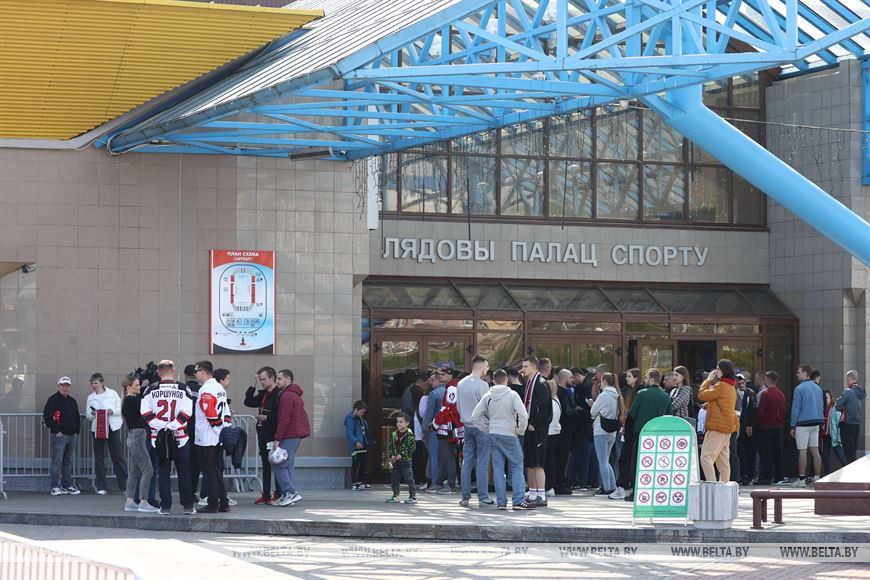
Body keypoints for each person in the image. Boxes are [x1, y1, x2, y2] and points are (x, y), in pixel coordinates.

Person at [470, 369, 535, 511]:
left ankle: (501, 502)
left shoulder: (488, 395)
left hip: (493, 433)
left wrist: (486, 428)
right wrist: (520, 430)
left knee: (498, 468)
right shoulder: (513, 395)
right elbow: (523, 415)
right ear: (507, 380)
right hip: (509, 433)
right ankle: (518, 500)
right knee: (517, 465)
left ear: (493, 380)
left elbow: (475, 416)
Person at [141, 360, 196, 515]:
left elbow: (145, 412)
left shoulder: (150, 389)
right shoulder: (184, 388)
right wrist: (173, 425)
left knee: (163, 471)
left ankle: (165, 507)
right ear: (173, 371)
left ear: (158, 372)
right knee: (184, 471)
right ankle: (188, 506)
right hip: (180, 436)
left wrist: (161, 425)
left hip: (158, 437)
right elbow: (187, 412)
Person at [616, 369, 670, 501]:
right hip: (658, 434)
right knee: (655, 464)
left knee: (637, 463)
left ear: (651, 379)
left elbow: (632, 414)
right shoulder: (666, 396)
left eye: (646, 377)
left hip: (641, 432)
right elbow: (669, 415)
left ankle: (636, 491)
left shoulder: (642, 393)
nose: (644, 380)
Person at [456, 355, 494, 507]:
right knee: (482, 462)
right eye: (487, 366)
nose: (487, 369)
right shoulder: (482, 385)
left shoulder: (461, 383)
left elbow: (458, 407)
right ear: (481, 366)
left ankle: (465, 497)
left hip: (467, 425)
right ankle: (483, 496)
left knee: (467, 462)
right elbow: (487, 408)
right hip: (481, 426)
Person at [195, 364, 232, 512]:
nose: (195, 374)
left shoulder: (206, 388)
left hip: (207, 436)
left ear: (203, 372)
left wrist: (217, 429)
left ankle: (213, 504)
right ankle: (223, 502)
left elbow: (210, 412)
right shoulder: (219, 388)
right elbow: (227, 413)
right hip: (217, 436)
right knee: (215, 470)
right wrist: (223, 430)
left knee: (209, 471)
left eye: (196, 371)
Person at [244, 366, 283, 504]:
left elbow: (282, 416)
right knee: (266, 464)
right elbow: (248, 402)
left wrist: (267, 418)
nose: (262, 382)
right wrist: (253, 384)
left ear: (272, 378)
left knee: (276, 464)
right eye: (260, 379)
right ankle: (266, 494)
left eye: (264, 379)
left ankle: (279, 493)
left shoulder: (279, 395)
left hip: (274, 435)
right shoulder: (263, 394)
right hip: (263, 434)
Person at [272, 369, 310, 507]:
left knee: (278, 464)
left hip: (289, 434)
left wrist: (277, 438)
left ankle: (290, 492)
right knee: (287, 465)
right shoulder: (294, 395)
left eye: (279, 379)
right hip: (294, 434)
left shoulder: (287, 396)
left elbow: (284, 419)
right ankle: (286, 496)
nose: (277, 381)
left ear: (288, 380)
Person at [697, 360, 739, 483]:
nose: (716, 372)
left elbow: (702, 395)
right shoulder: (731, 386)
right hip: (727, 427)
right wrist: (710, 405)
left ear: (724, 371)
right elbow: (722, 404)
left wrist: (708, 380)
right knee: (723, 460)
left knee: (706, 457)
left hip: (717, 427)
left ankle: (712, 485)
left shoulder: (720, 386)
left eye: (718, 369)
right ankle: (724, 485)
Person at [86, 373, 127, 495]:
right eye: (92, 383)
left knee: (118, 456)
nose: (94, 385)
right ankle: (101, 486)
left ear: (102, 382)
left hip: (112, 427)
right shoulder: (90, 397)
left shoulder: (112, 393)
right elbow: (88, 415)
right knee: (99, 458)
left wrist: (111, 411)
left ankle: (124, 486)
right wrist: (93, 414)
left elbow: (120, 409)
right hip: (98, 429)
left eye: (96, 383)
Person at [121, 375, 158, 512]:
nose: (139, 387)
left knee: (134, 471)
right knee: (148, 470)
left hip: (135, 436)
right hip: (138, 437)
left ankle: (130, 502)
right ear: (128, 387)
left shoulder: (128, 400)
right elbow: (147, 408)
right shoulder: (132, 400)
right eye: (137, 385)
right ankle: (143, 502)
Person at [520, 355, 552, 506]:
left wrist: (533, 422)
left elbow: (545, 408)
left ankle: (541, 495)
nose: (523, 369)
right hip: (529, 428)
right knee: (530, 464)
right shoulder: (529, 382)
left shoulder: (541, 383)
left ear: (534, 367)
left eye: (525, 366)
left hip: (538, 429)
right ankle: (532, 494)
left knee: (538, 464)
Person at [43, 376, 82, 496]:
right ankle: (55, 487)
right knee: (57, 461)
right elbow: (47, 416)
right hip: (59, 435)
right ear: (58, 386)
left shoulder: (72, 401)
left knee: (68, 462)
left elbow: (76, 416)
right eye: (63, 385)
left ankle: (67, 486)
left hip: (72, 436)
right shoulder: (53, 400)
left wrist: (76, 431)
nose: (65, 388)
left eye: (67, 386)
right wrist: (57, 431)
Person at [789, 365, 824, 486]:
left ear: (805, 373)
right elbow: (821, 406)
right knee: (815, 450)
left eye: (799, 372)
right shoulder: (818, 388)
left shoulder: (799, 388)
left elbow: (796, 409)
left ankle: (802, 479)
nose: (797, 374)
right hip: (816, 422)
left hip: (802, 423)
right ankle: (817, 477)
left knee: (802, 451)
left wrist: (792, 426)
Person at [610, 368, 641, 500]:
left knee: (627, 458)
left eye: (629, 376)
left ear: (636, 378)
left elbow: (633, 412)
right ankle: (624, 486)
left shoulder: (638, 392)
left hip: (632, 429)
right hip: (628, 428)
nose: (627, 379)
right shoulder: (631, 391)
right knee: (625, 458)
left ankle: (623, 486)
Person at [566, 366, 598, 492]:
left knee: (584, 454)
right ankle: (591, 481)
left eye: (573, 378)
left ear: (577, 375)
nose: (572, 381)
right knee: (591, 454)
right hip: (586, 425)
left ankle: (582, 481)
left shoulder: (586, 387)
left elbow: (588, 405)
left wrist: (581, 409)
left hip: (585, 425)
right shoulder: (583, 386)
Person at [589, 372, 621, 496]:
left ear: (605, 382)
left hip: (600, 430)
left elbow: (593, 411)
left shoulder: (604, 395)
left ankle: (606, 487)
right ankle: (612, 486)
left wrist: (593, 405)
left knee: (602, 461)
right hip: (612, 431)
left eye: (601, 381)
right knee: (606, 461)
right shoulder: (617, 395)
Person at [431, 366, 462, 495]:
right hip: (451, 427)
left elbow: (447, 409)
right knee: (444, 456)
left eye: (442, 374)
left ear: (450, 375)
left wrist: (435, 424)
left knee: (448, 456)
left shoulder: (452, 388)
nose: (440, 377)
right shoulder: (452, 386)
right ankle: (439, 483)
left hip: (448, 428)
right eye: (439, 374)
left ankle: (450, 485)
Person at [755, 371, 787, 485]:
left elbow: (761, 412)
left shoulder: (765, 394)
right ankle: (778, 476)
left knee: (766, 453)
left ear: (768, 379)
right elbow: (783, 412)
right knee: (777, 453)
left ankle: (766, 477)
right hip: (778, 427)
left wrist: (757, 422)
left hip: (765, 427)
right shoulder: (781, 394)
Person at [554, 369, 581, 495]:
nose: (573, 380)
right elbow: (568, 411)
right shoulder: (563, 393)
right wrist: (578, 412)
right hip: (565, 430)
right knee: (562, 458)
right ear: (565, 379)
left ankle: (558, 482)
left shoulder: (558, 392)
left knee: (560, 458)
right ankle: (560, 483)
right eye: (571, 378)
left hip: (561, 429)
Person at [386, 412, 417, 505]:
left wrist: (402, 455)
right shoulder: (394, 434)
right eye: (397, 422)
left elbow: (412, 447)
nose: (398, 424)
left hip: (405, 461)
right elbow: (391, 446)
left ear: (407, 423)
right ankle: (396, 495)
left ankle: (413, 496)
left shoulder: (410, 435)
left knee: (409, 478)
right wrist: (392, 455)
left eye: (401, 422)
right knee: (394, 478)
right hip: (396, 461)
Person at [836, 370, 865, 464]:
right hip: (857, 425)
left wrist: (842, 404)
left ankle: (852, 472)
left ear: (849, 379)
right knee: (853, 451)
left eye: (846, 379)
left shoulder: (848, 392)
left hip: (847, 424)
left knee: (848, 453)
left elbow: (837, 406)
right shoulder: (860, 391)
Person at [344, 400, 373, 490]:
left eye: (363, 412)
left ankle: (361, 481)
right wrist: (355, 442)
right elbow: (349, 433)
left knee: (363, 464)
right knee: (355, 465)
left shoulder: (360, 419)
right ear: (356, 410)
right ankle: (355, 483)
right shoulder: (350, 419)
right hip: (356, 446)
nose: (362, 414)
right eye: (361, 412)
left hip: (363, 444)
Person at [183, 364, 201, 502]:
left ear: (185, 376)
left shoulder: (182, 389)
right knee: (195, 462)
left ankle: (185, 492)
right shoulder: (201, 390)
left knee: (183, 461)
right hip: (198, 429)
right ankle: (192, 492)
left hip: (183, 428)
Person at [737, 374, 758, 485]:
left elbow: (752, 410)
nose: (741, 385)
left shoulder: (749, 393)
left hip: (745, 425)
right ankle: (743, 474)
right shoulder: (735, 392)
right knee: (740, 450)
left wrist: (750, 425)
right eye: (738, 383)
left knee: (748, 451)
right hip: (738, 425)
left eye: (742, 382)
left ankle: (748, 475)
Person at [544, 378, 562, 497]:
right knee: (551, 460)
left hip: (549, 433)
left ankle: (548, 485)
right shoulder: (557, 401)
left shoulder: (549, 402)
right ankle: (550, 486)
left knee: (546, 461)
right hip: (556, 432)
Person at [413, 376, 431, 486]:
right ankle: (425, 478)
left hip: (422, 432)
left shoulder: (424, 398)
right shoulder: (424, 399)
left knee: (425, 456)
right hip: (423, 431)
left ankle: (425, 478)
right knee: (425, 456)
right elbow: (422, 414)